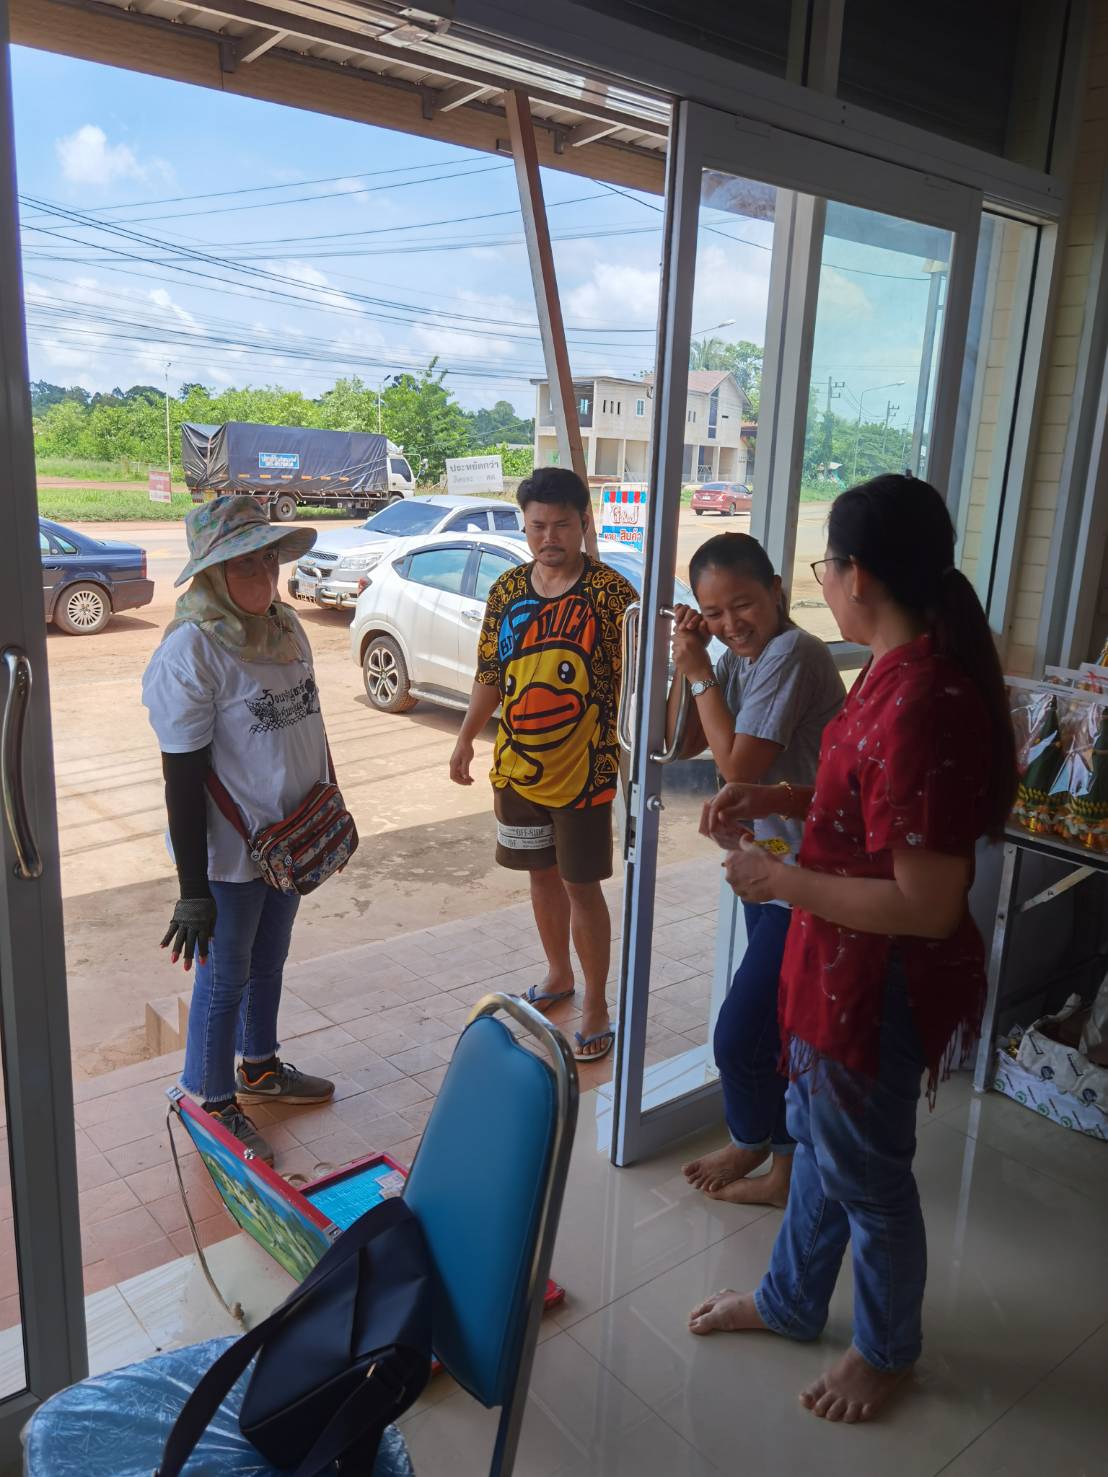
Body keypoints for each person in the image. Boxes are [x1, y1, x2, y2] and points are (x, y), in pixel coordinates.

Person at [687, 475, 1017, 1424]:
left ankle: (885, 1349)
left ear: (858, 574)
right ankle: (793, 1298)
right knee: (829, 1151)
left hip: (878, 980)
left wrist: (780, 882)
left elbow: (925, 903)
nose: (821, 580)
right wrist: (777, 801)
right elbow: (857, 805)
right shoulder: (889, 666)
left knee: (868, 1179)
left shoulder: (924, 698)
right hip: (836, 969)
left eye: (825, 564)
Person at [143, 496, 338, 1165]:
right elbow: (181, 773)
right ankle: (209, 1097)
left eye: (267, 560)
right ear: (212, 573)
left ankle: (259, 1066)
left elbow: (308, 721)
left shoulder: (285, 627)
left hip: (287, 840)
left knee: (268, 961)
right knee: (224, 977)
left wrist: (326, 807)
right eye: (244, 564)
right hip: (227, 853)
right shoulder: (192, 651)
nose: (263, 576)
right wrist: (191, 887)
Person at [671, 534, 843, 1208]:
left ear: (777, 589)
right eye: (713, 612)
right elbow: (682, 742)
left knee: (741, 1033)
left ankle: (763, 1150)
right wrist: (694, 658)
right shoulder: (745, 655)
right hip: (770, 864)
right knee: (772, 1023)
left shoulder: (793, 653)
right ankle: (773, 1152)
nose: (730, 624)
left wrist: (702, 673)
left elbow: (737, 768)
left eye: (741, 603)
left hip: (809, 878)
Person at [448, 467, 637, 1063]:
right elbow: (490, 674)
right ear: (524, 524)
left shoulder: (612, 595)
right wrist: (465, 739)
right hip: (518, 768)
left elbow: (636, 684)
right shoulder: (506, 590)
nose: (548, 536)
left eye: (562, 524)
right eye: (537, 525)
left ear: (585, 522)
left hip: (585, 773)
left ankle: (599, 1001)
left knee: (583, 885)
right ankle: (559, 975)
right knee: (540, 875)